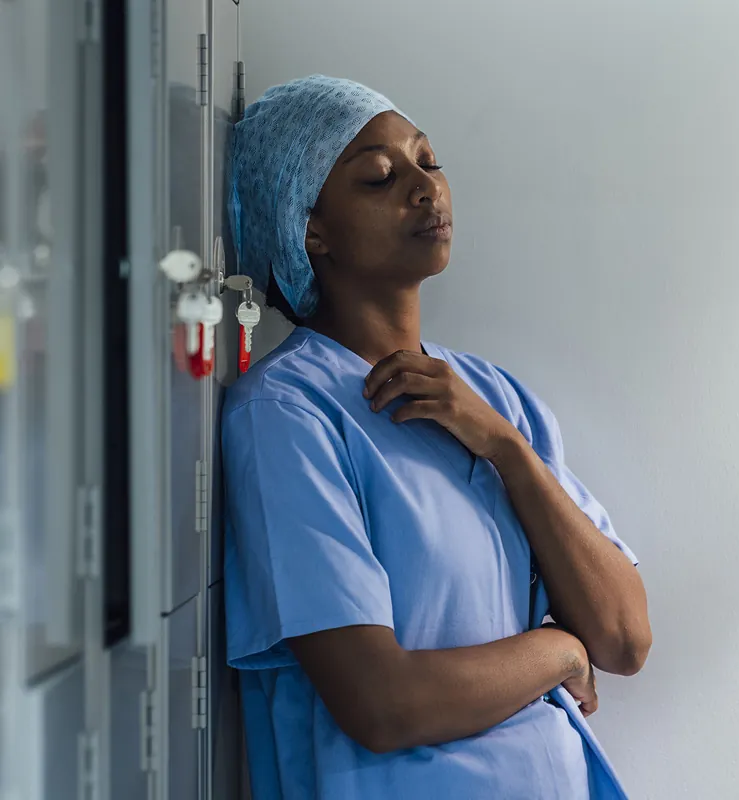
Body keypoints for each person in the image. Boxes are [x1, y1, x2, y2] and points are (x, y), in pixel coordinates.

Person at [223, 75, 651, 800]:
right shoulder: (286, 415)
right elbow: (383, 705)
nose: (426, 189)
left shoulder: (494, 397)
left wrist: (506, 448)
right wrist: (555, 650)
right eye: (380, 177)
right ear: (309, 230)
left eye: (429, 160)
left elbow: (623, 638)